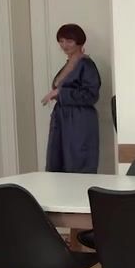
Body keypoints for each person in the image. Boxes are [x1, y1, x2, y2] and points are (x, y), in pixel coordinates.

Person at [41, 23, 101, 173]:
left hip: (79, 121)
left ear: (79, 42)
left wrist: (60, 93)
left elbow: (91, 95)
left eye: (69, 41)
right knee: (58, 164)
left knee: (77, 163)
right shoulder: (70, 63)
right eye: (61, 41)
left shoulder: (86, 65)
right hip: (62, 120)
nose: (64, 45)